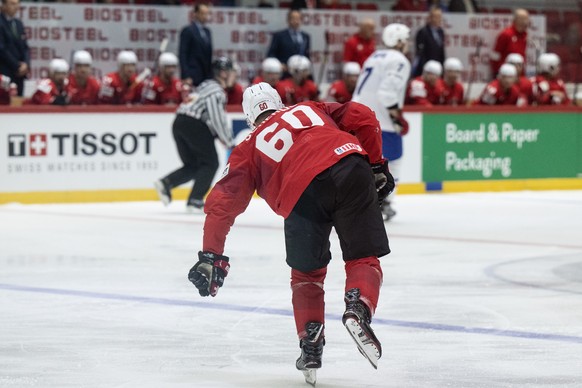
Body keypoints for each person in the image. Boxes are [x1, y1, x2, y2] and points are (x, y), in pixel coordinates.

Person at [187, 82, 393, 386]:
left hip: (300, 195)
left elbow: (222, 204)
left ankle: (310, 346)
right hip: (348, 165)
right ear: (279, 103)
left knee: (307, 275)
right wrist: (375, 164)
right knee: (363, 256)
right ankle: (358, 306)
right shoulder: (311, 108)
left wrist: (211, 254)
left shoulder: (248, 147)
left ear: (248, 118)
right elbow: (363, 116)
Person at [154, 57, 235, 213]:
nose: (234, 75)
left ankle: (166, 183)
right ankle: (195, 201)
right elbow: (217, 119)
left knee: (193, 165)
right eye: (232, 72)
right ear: (224, 73)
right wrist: (229, 141)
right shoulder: (216, 91)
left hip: (178, 122)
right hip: (194, 124)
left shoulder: (204, 86)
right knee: (210, 163)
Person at [352, 23, 411, 222]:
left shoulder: (373, 57)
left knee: (361, 163)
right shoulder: (399, 59)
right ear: (399, 41)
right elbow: (386, 94)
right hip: (380, 121)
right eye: (405, 40)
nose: (407, 44)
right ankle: (384, 200)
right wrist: (397, 117)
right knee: (394, 161)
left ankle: (353, 202)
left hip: (356, 116)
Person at [179, 2, 212, 87]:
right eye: (203, 13)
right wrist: (186, 75)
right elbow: (183, 54)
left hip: (205, 77)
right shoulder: (188, 31)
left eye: (207, 14)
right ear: (195, 14)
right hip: (192, 75)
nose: (205, 16)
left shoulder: (207, 32)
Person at [0, 0, 28, 97]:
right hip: (5, 71)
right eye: (12, 4)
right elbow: (2, 49)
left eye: (17, 4)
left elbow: (25, 47)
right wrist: (16, 65)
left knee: (18, 103)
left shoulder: (18, 23)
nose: (16, 7)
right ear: (3, 5)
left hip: (20, 74)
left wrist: (25, 64)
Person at [490, 8, 529, 76]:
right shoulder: (506, 34)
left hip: (519, 74)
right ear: (516, 19)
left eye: (527, 19)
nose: (526, 22)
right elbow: (495, 55)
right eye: (523, 19)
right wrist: (496, 72)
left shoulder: (524, 35)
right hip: (507, 74)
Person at [412, 6, 445, 77]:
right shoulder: (423, 32)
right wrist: (425, 70)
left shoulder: (440, 32)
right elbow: (421, 54)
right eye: (436, 17)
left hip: (438, 67)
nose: (439, 19)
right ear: (430, 18)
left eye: (440, 17)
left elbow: (441, 51)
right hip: (427, 68)